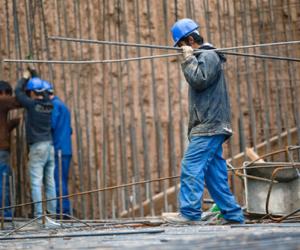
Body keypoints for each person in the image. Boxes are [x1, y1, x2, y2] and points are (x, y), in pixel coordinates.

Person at [163, 18, 244, 225]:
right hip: (210, 124)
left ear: (190, 40)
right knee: (214, 175)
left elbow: (199, 80)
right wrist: (191, 58)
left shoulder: (208, 55)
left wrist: (188, 60)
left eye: (181, 45)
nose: (180, 50)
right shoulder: (204, 56)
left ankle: (189, 213)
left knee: (191, 165)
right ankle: (233, 215)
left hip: (209, 125)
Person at [15, 69, 60, 227]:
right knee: (50, 182)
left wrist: (25, 77)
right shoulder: (49, 105)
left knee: (35, 182)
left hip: (38, 147)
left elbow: (17, 93)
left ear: (33, 92)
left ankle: (39, 217)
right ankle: (52, 216)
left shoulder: (32, 105)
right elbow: (44, 92)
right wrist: (35, 77)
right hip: (49, 146)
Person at [43, 80, 72, 217]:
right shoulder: (63, 105)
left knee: (58, 181)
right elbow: (69, 130)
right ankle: (63, 210)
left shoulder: (53, 106)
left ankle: (63, 212)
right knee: (62, 180)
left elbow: (51, 125)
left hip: (58, 149)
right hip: (66, 148)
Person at [0, 81, 21, 217]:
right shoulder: (2, 101)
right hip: (1, 149)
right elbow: (19, 101)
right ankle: (6, 214)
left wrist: (12, 123)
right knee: (4, 182)